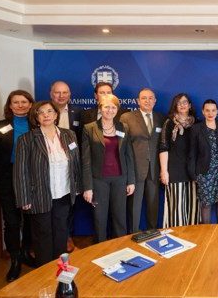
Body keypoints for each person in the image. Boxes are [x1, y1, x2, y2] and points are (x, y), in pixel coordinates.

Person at [13, 100, 81, 267]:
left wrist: (77, 186)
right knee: (42, 235)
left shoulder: (69, 135)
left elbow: (76, 163)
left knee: (61, 233)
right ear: (36, 117)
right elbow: (20, 171)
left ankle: (61, 270)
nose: (46, 115)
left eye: (50, 111)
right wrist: (24, 198)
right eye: (41, 112)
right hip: (39, 195)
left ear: (56, 115)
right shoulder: (26, 139)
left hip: (64, 193)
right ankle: (44, 272)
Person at [0, 89, 34, 281]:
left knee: (30, 219)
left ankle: (26, 252)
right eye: (16, 102)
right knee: (12, 221)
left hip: (32, 178)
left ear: (30, 105)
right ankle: (15, 259)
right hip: (7, 179)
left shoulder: (36, 124)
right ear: (10, 105)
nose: (20, 105)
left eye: (24, 102)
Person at [81, 94, 135, 242]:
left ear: (117, 109)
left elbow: (128, 155)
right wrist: (88, 187)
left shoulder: (124, 127)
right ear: (100, 108)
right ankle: (101, 249)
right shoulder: (89, 128)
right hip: (99, 181)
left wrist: (131, 181)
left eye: (113, 107)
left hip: (120, 179)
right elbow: (86, 160)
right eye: (106, 107)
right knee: (99, 218)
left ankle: (120, 247)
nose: (110, 110)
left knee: (120, 218)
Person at [120, 88, 164, 231]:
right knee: (134, 206)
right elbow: (122, 147)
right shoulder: (127, 118)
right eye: (144, 98)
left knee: (153, 205)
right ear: (138, 101)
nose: (147, 101)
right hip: (135, 169)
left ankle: (152, 232)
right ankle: (132, 234)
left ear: (155, 101)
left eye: (150, 98)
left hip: (154, 169)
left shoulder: (161, 118)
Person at [50, 80, 83, 254]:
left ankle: (67, 236)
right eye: (57, 92)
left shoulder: (77, 113)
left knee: (69, 203)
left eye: (65, 92)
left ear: (70, 95)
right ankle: (51, 239)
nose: (61, 96)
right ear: (51, 94)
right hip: (49, 166)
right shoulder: (44, 111)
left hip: (70, 166)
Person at [189, 99, 218, 224]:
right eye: (207, 110)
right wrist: (193, 173)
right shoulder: (196, 129)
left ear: (217, 112)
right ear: (203, 112)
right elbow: (192, 152)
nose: (210, 113)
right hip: (204, 172)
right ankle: (206, 231)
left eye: (213, 110)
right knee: (206, 203)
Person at [158, 93, 197, 226]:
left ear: (190, 105)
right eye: (179, 103)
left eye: (185, 102)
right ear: (175, 106)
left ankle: (193, 234)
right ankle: (177, 235)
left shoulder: (197, 123)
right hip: (174, 170)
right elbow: (163, 147)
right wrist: (164, 171)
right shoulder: (169, 123)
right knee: (176, 208)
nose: (182, 105)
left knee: (193, 207)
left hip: (193, 171)